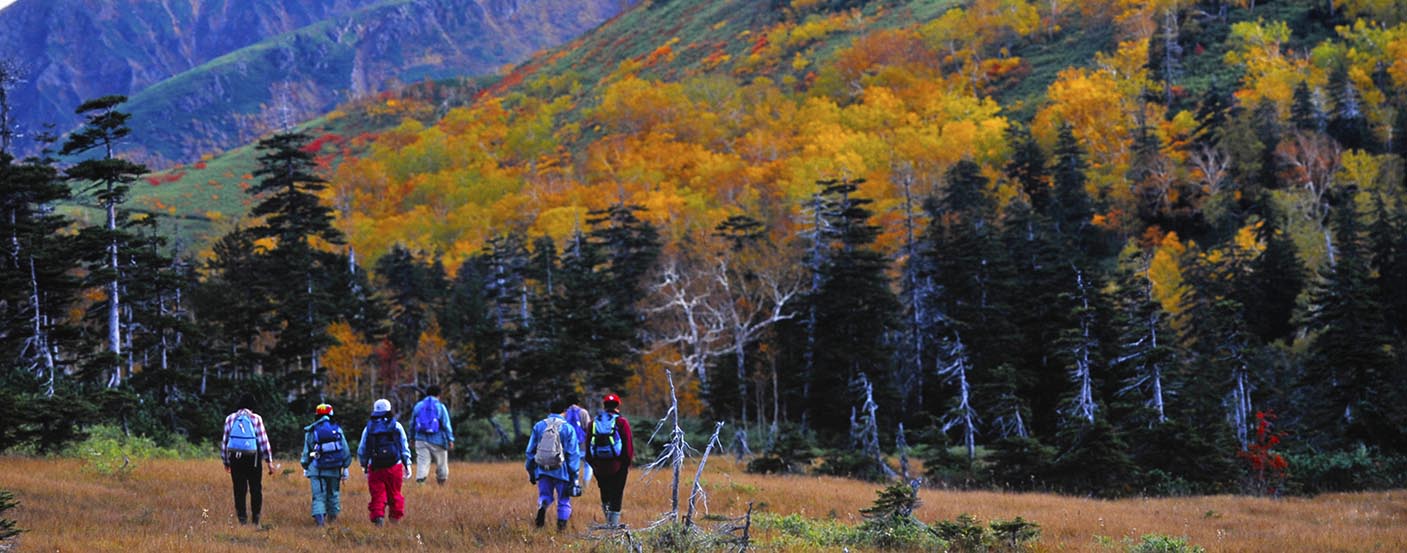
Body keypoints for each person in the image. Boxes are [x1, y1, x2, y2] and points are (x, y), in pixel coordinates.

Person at [525, 397, 582, 532]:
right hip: (562, 471)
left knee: (544, 495)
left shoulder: (539, 426)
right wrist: (574, 476)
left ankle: (543, 506)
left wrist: (531, 471)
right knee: (563, 500)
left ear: (549, 410)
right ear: (565, 411)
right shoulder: (568, 428)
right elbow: (573, 454)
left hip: (542, 469)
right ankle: (561, 529)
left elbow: (530, 451)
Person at [221, 393, 274, 526]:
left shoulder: (230, 419)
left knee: (239, 488)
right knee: (255, 487)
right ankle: (255, 519)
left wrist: (226, 462)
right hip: (253, 458)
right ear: (252, 406)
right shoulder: (256, 419)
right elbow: (263, 440)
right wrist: (269, 462)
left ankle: (242, 519)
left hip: (236, 458)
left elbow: (225, 442)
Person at [358, 398, 412, 526]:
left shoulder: (369, 428)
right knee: (395, 493)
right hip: (395, 466)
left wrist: (364, 465)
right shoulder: (396, 426)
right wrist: (407, 464)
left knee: (377, 494)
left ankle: (378, 518)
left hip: (375, 466)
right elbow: (404, 446)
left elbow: (362, 449)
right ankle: (395, 519)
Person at [587, 393, 634, 529]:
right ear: (618, 405)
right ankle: (613, 526)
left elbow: (588, 443)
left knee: (605, 493)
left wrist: (594, 465)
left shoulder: (594, 422)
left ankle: (608, 522)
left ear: (604, 406)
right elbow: (628, 445)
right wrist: (626, 464)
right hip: (618, 465)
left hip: (600, 466)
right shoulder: (622, 422)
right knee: (617, 494)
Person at [300, 403, 352, 526]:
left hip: (316, 469)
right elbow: (345, 450)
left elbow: (307, 452)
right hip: (334, 468)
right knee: (333, 493)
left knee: (318, 496)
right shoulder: (337, 429)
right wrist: (345, 466)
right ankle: (332, 521)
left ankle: (320, 522)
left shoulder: (311, 431)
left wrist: (305, 465)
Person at [411, 385, 454, 485]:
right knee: (441, 463)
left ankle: (420, 484)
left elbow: (412, 424)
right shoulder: (440, 407)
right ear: (439, 395)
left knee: (422, 462)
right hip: (438, 440)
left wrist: (411, 438)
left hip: (420, 439)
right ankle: (441, 483)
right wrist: (450, 439)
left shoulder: (418, 406)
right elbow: (446, 424)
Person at [564, 398, 593, 488]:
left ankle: (573, 485)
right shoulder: (583, 412)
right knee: (587, 465)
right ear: (578, 402)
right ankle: (585, 486)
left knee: (572, 466)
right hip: (583, 445)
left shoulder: (565, 413)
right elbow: (588, 428)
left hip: (569, 446)